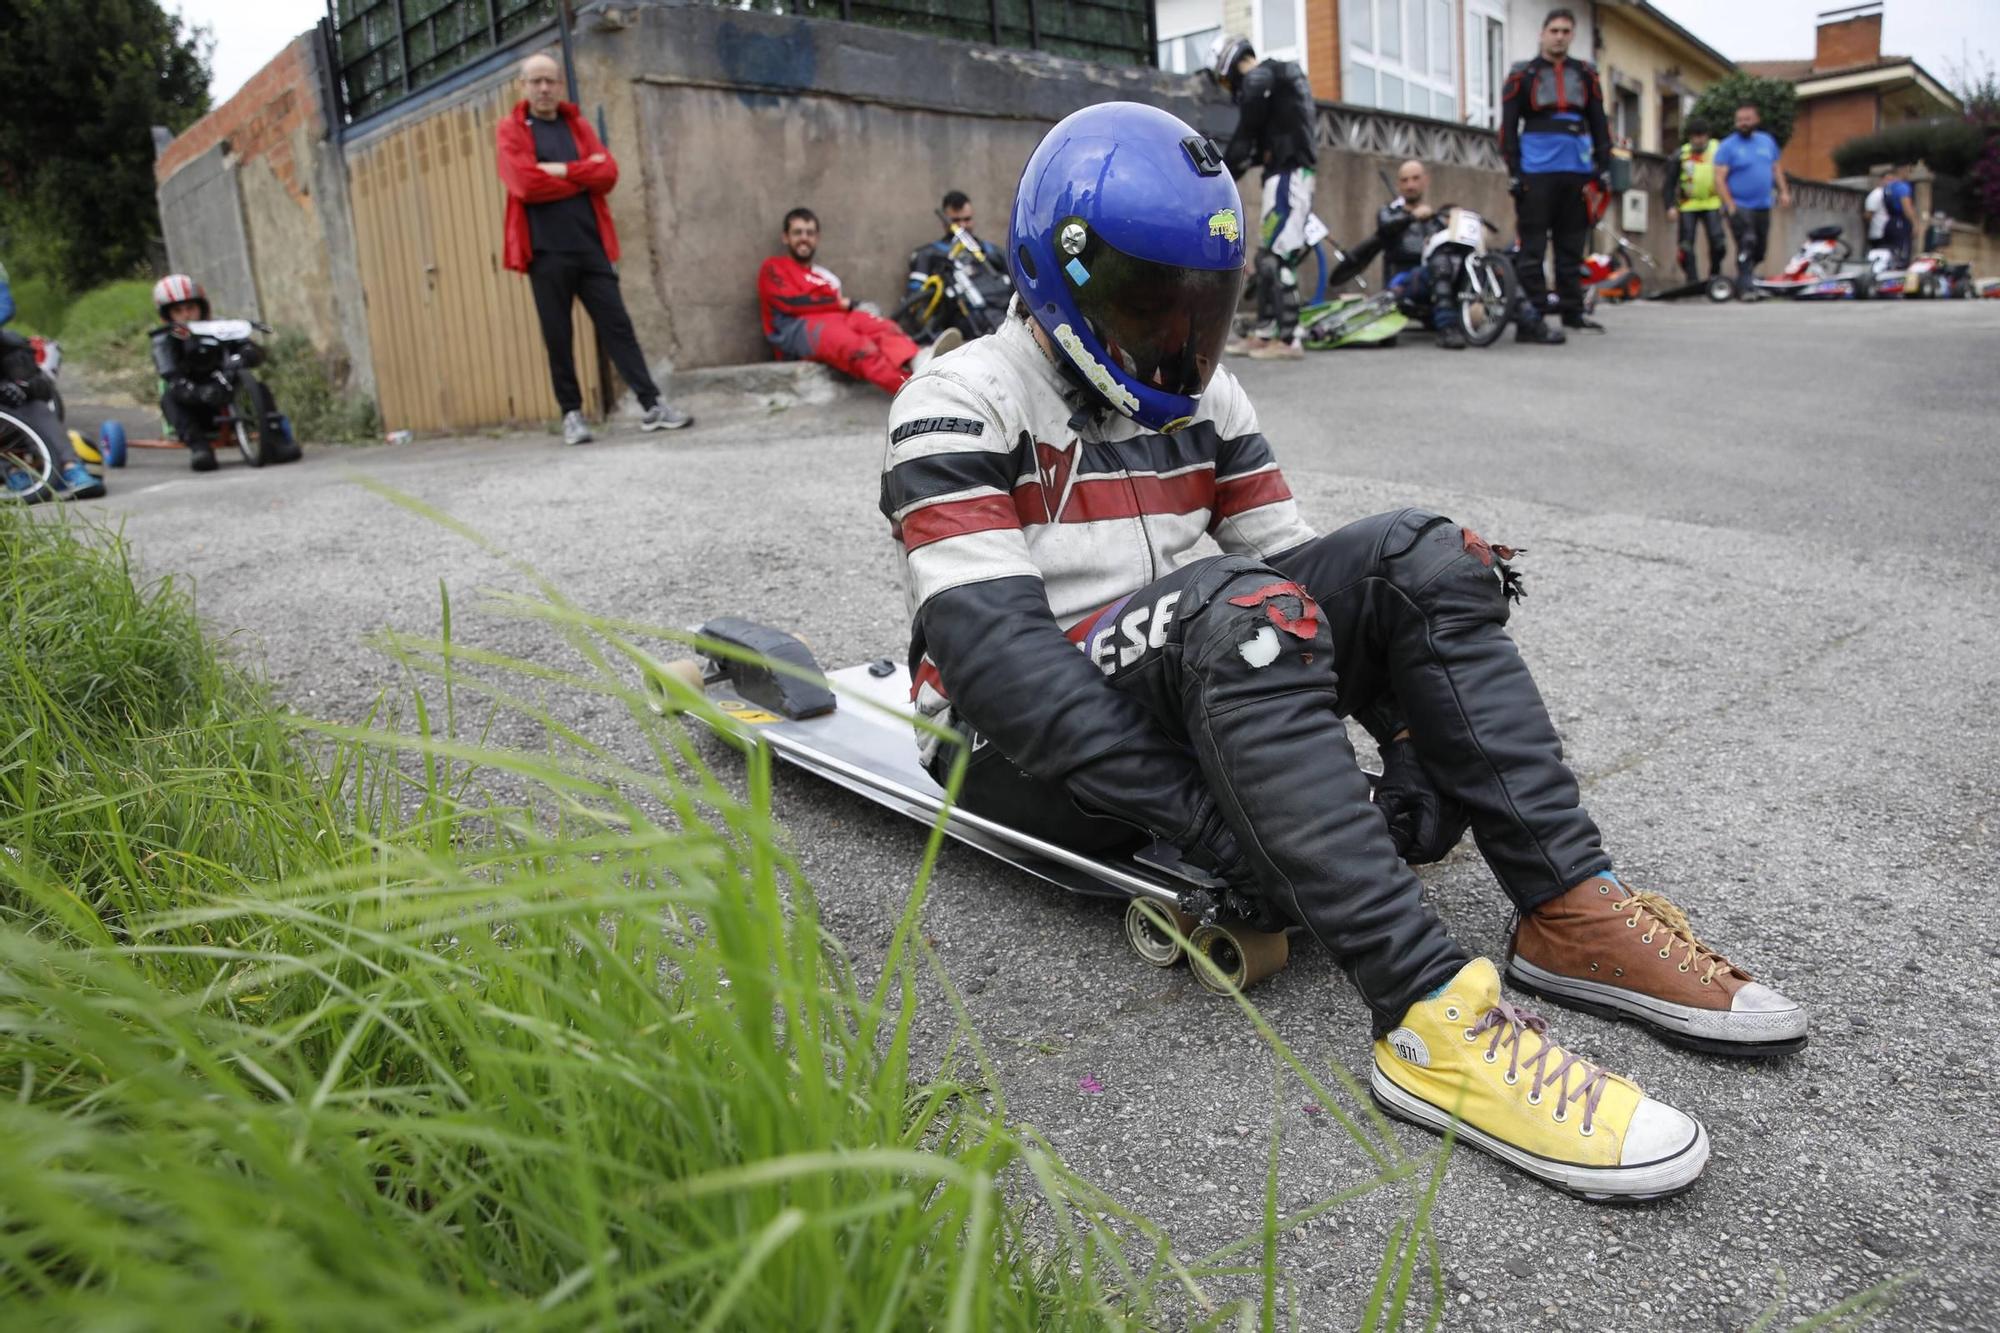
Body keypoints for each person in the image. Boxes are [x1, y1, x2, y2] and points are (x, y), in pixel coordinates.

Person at [884, 101, 1808, 1202]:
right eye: (1145, 301)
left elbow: (1313, 586)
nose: (1175, 332)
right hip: (1007, 747)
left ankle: (1566, 906)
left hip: (1172, 670)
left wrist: (1412, 740)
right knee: (1236, 603)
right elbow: (1002, 672)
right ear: (1057, 274)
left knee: (1419, 555)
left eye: (1199, 304)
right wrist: (1207, 823)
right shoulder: (954, 401)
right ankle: (1427, 1021)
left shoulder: (1207, 392)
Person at [497, 53, 691, 447]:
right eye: (536, 81)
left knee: (618, 326)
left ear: (560, 85)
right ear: (523, 86)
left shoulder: (576, 124)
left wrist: (561, 169)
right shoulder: (512, 128)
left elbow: (609, 173)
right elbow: (525, 184)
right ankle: (571, 414)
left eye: (550, 80)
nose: (544, 88)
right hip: (545, 251)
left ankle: (652, 405)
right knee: (558, 334)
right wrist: (582, 173)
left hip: (590, 248)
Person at [1499, 7, 1611, 343]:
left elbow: (1599, 121)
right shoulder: (1523, 75)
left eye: (1566, 31)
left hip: (1576, 172)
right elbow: (1508, 128)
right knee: (1532, 247)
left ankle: (1572, 312)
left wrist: (1602, 166)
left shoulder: (1586, 75)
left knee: (1571, 247)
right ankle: (1532, 317)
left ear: (1572, 35)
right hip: (1536, 172)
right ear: (1542, 33)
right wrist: (1515, 171)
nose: (1559, 37)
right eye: (1554, 31)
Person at [760, 208, 959, 395]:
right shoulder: (773, 267)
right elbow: (792, 302)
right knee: (859, 348)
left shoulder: (825, 277)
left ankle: (919, 360)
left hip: (837, 318)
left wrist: (849, 307)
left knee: (883, 327)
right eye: (798, 232)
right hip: (797, 329)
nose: (804, 238)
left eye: (810, 233)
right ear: (785, 237)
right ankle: (913, 391)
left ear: (817, 238)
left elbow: (839, 306)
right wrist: (842, 304)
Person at [1209, 34, 1317, 361]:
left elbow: (1244, 138)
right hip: (1282, 176)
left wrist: (1218, 175)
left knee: (1278, 255)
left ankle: (1289, 338)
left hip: (1290, 176)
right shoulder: (1278, 84)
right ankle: (1266, 332)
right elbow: (1253, 144)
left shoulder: (1263, 76)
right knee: (1266, 256)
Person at [1373, 160, 1466, 349]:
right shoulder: (1388, 213)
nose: (1410, 185)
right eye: (1405, 180)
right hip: (1404, 281)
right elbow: (1386, 227)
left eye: (1415, 179)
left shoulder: (1436, 219)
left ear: (1425, 181)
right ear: (1399, 185)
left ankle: (1529, 321)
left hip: (1440, 277)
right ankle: (1448, 329)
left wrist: (1457, 223)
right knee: (1439, 262)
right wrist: (1412, 216)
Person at [1, 324, 100, 501]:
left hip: (15, 418)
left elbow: (43, 389)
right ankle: (12, 473)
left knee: (36, 406)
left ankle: (71, 468)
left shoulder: (11, 346)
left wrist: (22, 387)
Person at [905, 191, 1013, 341]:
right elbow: (915, 304)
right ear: (944, 221)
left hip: (1005, 321)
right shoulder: (928, 254)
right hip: (964, 330)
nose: (962, 226)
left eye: (967, 219)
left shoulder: (990, 251)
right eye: (955, 220)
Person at [1714, 101, 1791, 301]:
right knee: (1747, 242)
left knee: (1760, 250)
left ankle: (1746, 278)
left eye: (1747, 119)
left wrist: (1783, 191)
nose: (1743, 123)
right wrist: (1730, 205)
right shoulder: (1727, 146)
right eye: (1739, 120)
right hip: (1740, 205)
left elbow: (1776, 168)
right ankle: (1746, 289)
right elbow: (1719, 178)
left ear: (1756, 120)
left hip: (1763, 205)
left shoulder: (1767, 142)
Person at [1666, 125, 1726, 285]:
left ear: (1707, 136)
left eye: (1701, 136)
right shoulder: (1681, 154)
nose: (1698, 140)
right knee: (1685, 246)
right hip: (1688, 204)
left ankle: (1715, 272)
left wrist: (1727, 201)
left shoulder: (1718, 150)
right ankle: (1692, 280)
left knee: (1718, 243)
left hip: (1713, 202)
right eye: (1695, 136)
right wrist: (1670, 206)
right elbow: (1669, 183)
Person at [1879, 165, 1918, 269]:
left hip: (1890, 222)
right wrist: (1915, 224)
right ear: (1903, 170)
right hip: (1901, 223)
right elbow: (1907, 207)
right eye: (1909, 170)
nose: (1910, 174)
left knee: (1889, 252)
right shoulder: (1902, 187)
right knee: (1902, 255)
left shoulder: (1888, 187)